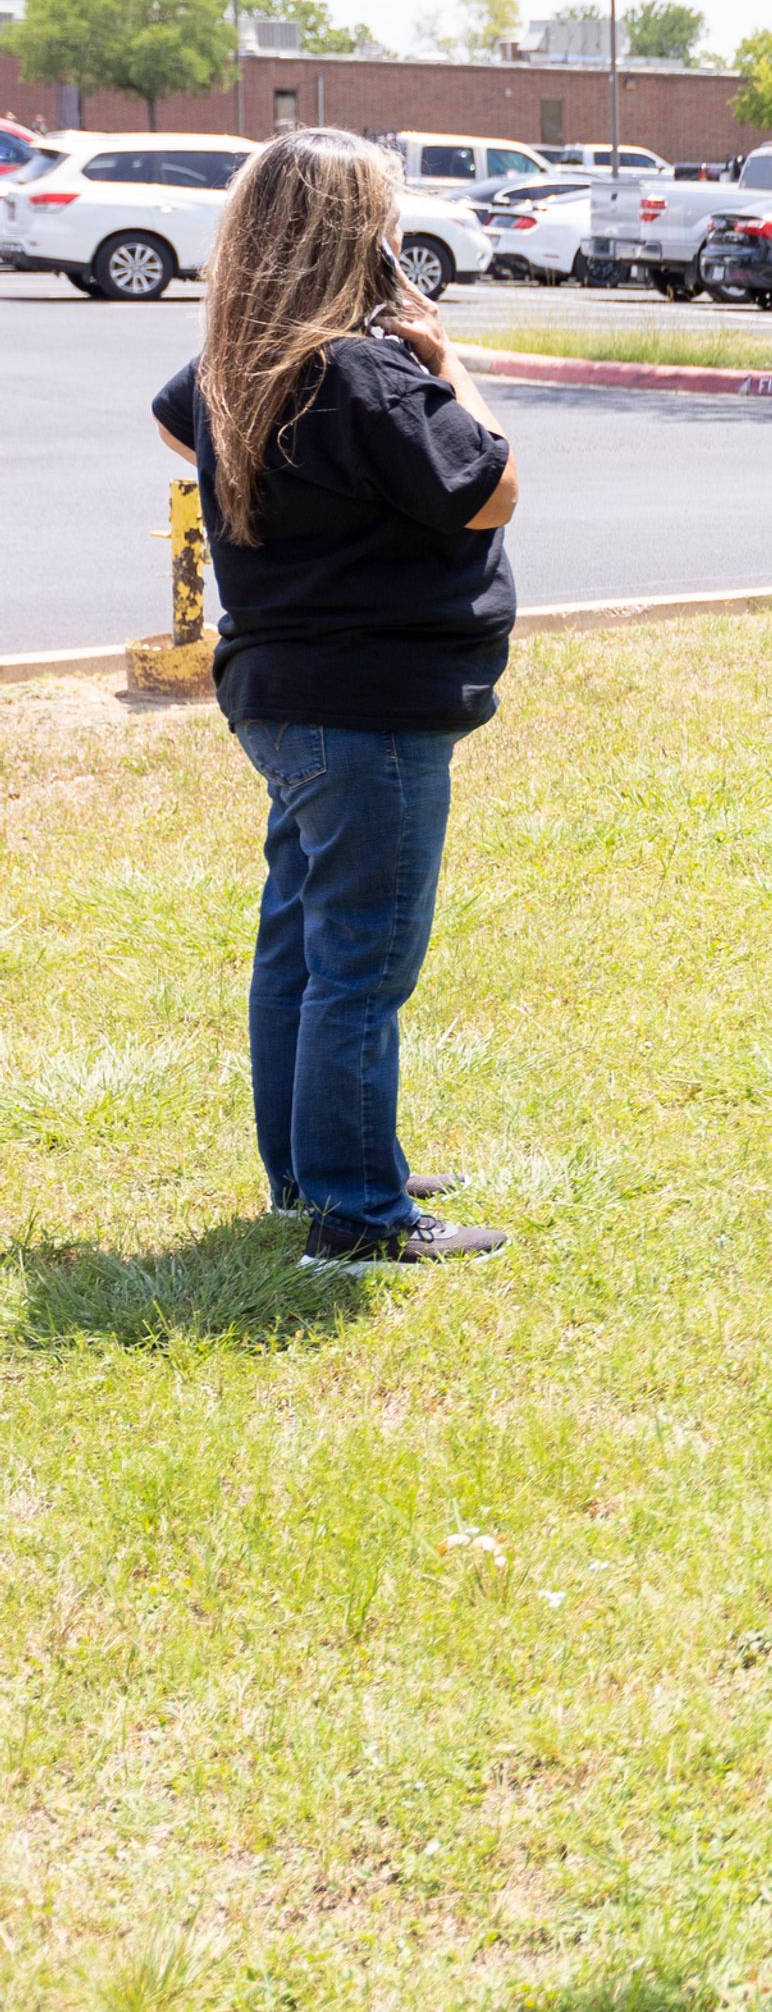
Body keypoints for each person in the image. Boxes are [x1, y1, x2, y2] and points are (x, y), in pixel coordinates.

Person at [150, 128, 518, 1271]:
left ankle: (312, 1170)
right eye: (389, 216)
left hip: (281, 693)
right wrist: (445, 362)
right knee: (362, 959)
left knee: (305, 949)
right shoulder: (368, 370)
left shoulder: (241, 359)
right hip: (370, 706)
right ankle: (358, 1217)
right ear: (357, 234)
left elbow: (171, 422)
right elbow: (491, 487)